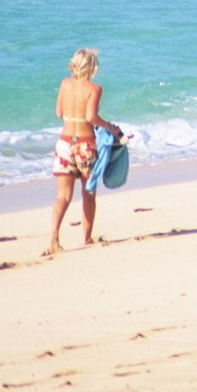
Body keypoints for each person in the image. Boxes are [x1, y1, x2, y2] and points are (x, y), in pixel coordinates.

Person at [46, 47, 122, 256]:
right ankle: (86, 237)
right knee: (88, 194)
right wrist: (110, 128)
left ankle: (54, 236)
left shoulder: (64, 84)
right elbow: (91, 117)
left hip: (64, 144)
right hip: (85, 146)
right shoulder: (94, 89)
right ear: (92, 67)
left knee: (63, 196)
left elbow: (59, 112)